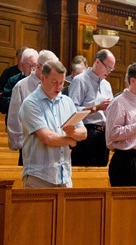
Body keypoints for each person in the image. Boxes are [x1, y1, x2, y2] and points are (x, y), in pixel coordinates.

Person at [18, 60, 87, 188]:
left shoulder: (67, 102)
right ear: (43, 79)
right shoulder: (31, 103)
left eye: (61, 82)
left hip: (64, 175)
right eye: (54, 82)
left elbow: (83, 132)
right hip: (39, 176)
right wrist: (71, 140)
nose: (59, 86)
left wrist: (74, 133)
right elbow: (47, 137)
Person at [7, 50, 58, 165]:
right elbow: (14, 119)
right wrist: (22, 145)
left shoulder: (54, 86)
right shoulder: (21, 86)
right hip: (29, 148)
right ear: (39, 67)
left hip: (51, 146)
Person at [69, 49, 115, 166]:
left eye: (111, 69)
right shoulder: (80, 80)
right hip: (87, 132)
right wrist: (96, 108)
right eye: (107, 67)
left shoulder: (107, 84)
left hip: (103, 134)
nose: (109, 71)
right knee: (82, 172)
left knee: (100, 174)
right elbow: (72, 110)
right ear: (97, 62)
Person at [0, 48, 39, 123]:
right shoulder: (13, 81)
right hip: (17, 123)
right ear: (22, 66)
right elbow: (2, 106)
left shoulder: (43, 81)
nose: (31, 69)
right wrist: (19, 101)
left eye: (34, 65)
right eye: (27, 65)